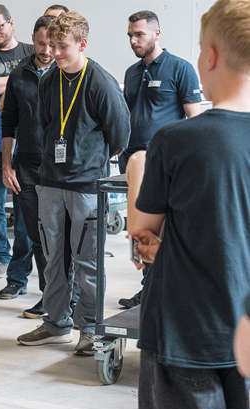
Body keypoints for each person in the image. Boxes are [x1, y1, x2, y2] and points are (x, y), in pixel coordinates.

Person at [128, 1, 250, 409]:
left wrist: (159, 240)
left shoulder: (178, 140)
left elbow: (143, 230)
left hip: (187, 330)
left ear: (210, 57)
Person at [16, 12, 130, 354]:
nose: (54, 52)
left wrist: (88, 159)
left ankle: (92, 329)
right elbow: (49, 124)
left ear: (82, 44)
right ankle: (55, 323)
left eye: (62, 46)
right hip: (50, 182)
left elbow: (121, 134)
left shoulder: (100, 82)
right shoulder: (48, 80)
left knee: (88, 262)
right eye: (51, 45)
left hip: (86, 186)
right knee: (52, 258)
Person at [117, 9, 201, 310]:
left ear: (156, 33)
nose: (133, 40)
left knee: (162, 231)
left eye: (139, 34)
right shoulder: (132, 72)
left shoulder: (180, 68)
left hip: (164, 164)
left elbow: (194, 118)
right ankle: (148, 287)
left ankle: (162, 290)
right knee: (138, 231)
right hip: (131, 163)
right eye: (130, 35)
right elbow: (126, 117)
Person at [0, 15, 56, 319]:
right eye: (40, 42)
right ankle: (49, 297)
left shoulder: (67, 70)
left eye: (51, 43)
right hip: (27, 166)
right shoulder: (19, 72)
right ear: (31, 38)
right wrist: (7, 165)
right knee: (37, 235)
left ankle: (70, 299)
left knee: (61, 236)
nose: (46, 50)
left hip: (61, 168)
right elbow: (8, 120)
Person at [0, 4, 35, 294]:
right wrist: (16, 82)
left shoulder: (30, 50)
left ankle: (23, 262)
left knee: (27, 208)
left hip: (28, 142)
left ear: (11, 24)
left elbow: (41, 82)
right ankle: (2, 256)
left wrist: (1, 86)